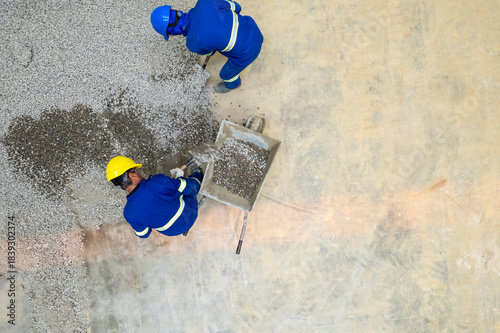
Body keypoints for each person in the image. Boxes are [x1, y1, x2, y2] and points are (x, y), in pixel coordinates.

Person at [150, 0, 264, 93]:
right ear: (174, 10)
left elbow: (210, 52)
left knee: (226, 74)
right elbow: (236, 6)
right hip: (252, 27)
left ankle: (232, 84)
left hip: (248, 51)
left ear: (173, 33)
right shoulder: (205, 2)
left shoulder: (193, 43)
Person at [106, 156, 203, 238]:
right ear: (132, 176)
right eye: (136, 170)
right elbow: (188, 188)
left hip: (173, 232)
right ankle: (198, 173)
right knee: (190, 186)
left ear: (119, 186)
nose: (139, 172)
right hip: (190, 213)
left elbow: (144, 234)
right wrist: (180, 178)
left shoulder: (128, 213)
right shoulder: (157, 181)